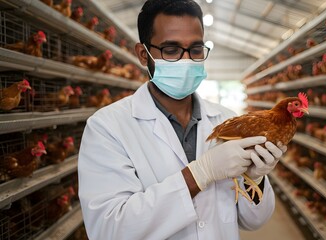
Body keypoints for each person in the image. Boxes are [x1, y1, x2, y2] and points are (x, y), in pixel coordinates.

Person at [78, 0, 287, 239]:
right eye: (171, 49)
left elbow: (254, 221)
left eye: (195, 49)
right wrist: (199, 174)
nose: (186, 60)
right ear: (143, 55)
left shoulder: (227, 119)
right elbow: (109, 230)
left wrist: (255, 179)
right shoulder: (108, 127)